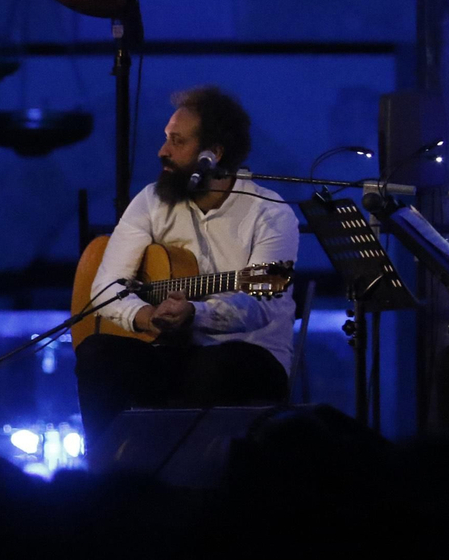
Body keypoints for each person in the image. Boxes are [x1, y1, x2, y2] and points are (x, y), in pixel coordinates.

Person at [74, 85, 300, 448]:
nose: (163, 151)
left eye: (176, 142)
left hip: (250, 355)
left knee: (211, 367)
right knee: (97, 352)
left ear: (214, 154)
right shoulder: (151, 201)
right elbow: (106, 288)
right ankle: (106, 472)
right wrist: (145, 316)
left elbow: (262, 303)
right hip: (169, 350)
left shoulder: (270, 213)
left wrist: (195, 314)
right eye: (166, 139)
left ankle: (195, 488)